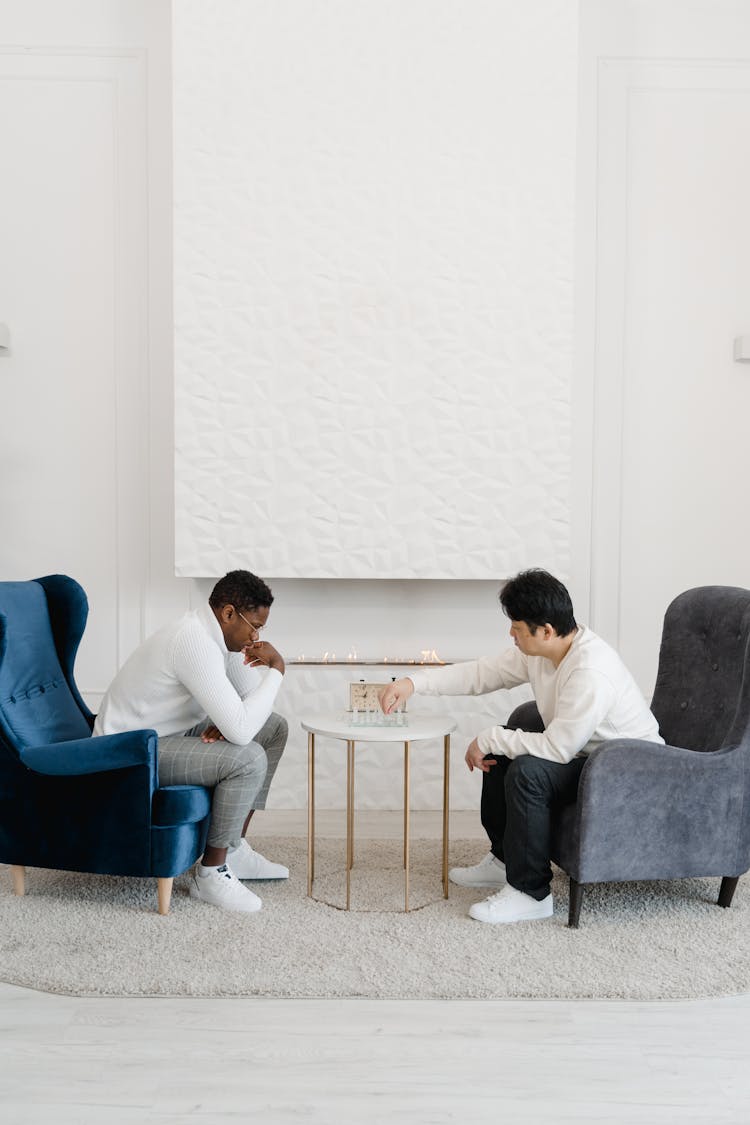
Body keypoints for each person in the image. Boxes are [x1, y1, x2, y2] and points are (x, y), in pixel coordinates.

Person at [380, 569, 663, 925]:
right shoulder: (543, 651)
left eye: (516, 628)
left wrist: (490, 736)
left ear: (545, 630)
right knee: (502, 752)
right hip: (587, 756)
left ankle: (531, 894)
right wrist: (413, 683)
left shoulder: (591, 670)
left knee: (527, 770)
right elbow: (482, 673)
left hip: (631, 771)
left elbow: (559, 748)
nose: (510, 635)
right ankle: (504, 861)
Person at [94, 570, 289, 914]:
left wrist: (230, 718)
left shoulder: (223, 639)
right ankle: (211, 873)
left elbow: (249, 709)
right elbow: (242, 730)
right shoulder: (193, 639)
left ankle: (234, 849)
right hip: (128, 751)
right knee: (247, 758)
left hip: (166, 735)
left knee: (274, 728)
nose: (256, 636)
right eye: (254, 625)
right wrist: (276, 669)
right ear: (229, 614)